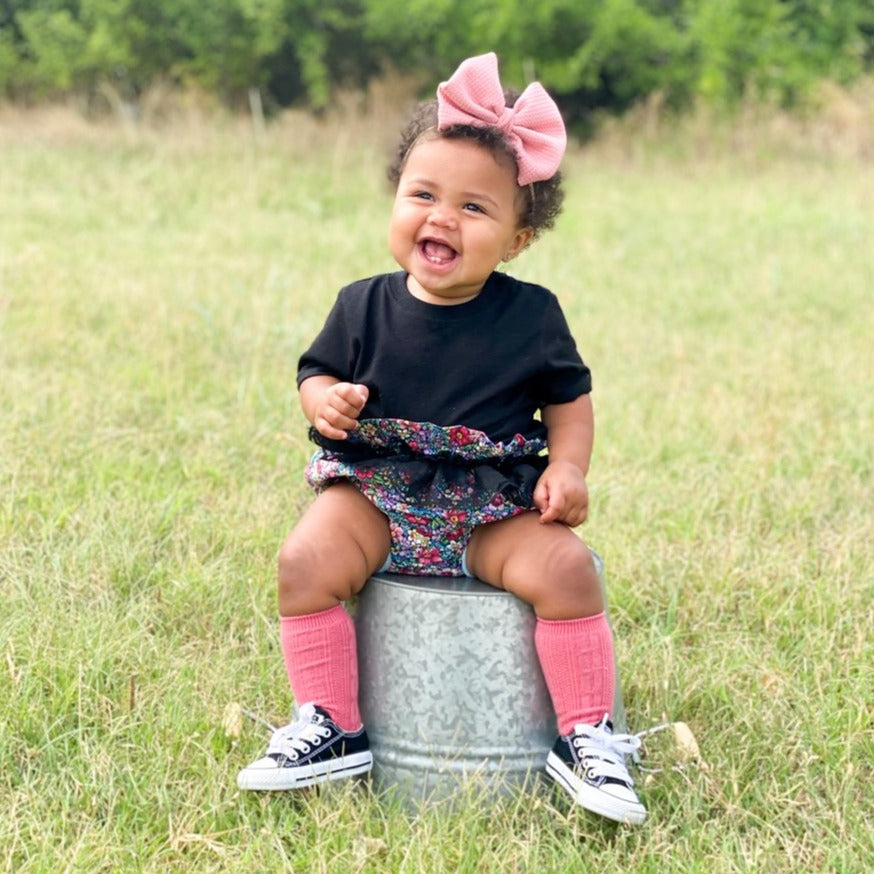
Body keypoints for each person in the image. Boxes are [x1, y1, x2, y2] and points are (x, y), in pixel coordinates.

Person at [236, 52, 645, 825]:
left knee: (564, 569)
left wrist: (571, 467)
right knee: (304, 560)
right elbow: (313, 374)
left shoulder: (531, 315)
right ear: (395, 201)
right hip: (379, 496)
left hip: (489, 510)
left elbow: (570, 400)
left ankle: (588, 734)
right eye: (421, 194)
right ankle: (331, 726)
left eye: (474, 208)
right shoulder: (362, 306)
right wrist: (327, 402)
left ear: (518, 240)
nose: (441, 218)